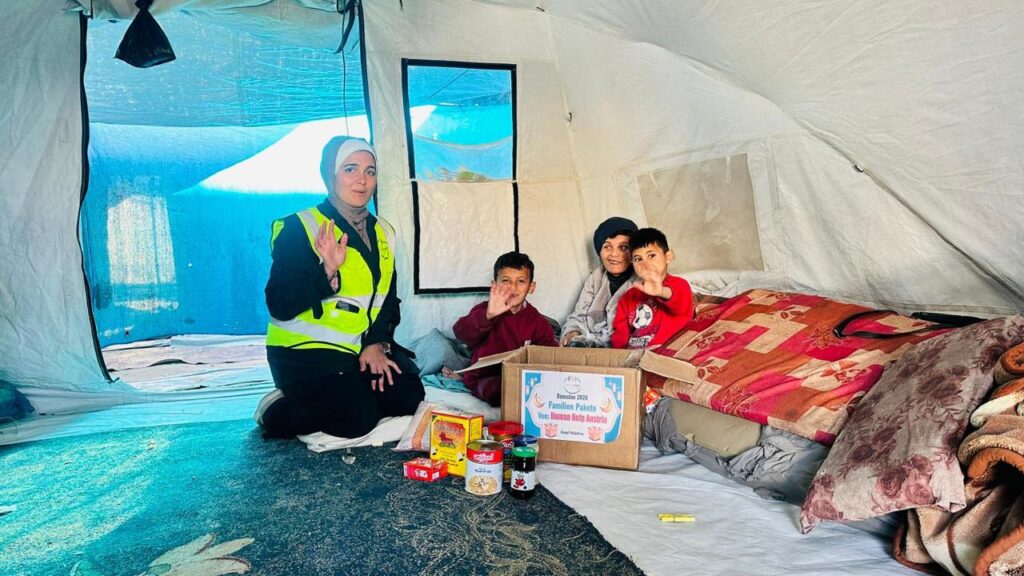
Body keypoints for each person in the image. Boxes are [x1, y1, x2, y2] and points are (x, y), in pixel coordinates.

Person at [254, 136, 424, 439]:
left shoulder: (383, 231)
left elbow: (387, 299)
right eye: (350, 169)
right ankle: (277, 410)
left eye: (370, 171)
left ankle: (350, 390)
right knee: (357, 419)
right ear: (329, 175)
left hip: (355, 348)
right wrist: (326, 271)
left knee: (409, 396)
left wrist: (376, 342)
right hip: (303, 353)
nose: (362, 180)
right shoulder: (299, 227)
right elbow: (279, 303)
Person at [452, 252, 558, 406]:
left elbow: (550, 353)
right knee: (497, 390)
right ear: (494, 285)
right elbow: (461, 333)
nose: (513, 287)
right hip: (485, 378)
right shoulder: (485, 310)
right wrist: (488, 315)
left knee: (544, 386)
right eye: (506, 281)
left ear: (531, 287)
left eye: (521, 281)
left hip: (521, 376)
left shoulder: (536, 320)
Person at [560, 217, 638, 348]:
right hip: (592, 351)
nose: (614, 254)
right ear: (599, 251)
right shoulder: (595, 278)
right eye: (607, 247)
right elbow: (577, 317)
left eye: (623, 247)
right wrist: (572, 333)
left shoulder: (643, 281)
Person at [610, 228, 695, 349]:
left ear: (668, 257)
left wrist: (661, 292)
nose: (645, 264)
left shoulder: (679, 284)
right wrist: (619, 354)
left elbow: (679, 303)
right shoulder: (628, 296)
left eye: (651, 255)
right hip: (633, 353)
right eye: (638, 259)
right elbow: (620, 333)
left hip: (663, 353)